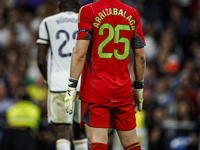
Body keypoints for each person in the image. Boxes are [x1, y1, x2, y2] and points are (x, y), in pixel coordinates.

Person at [64, 0, 146, 150]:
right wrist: (139, 88)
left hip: (96, 91)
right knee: (132, 144)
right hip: (123, 90)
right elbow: (140, 56)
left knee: (98, 144)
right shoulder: (132, 13)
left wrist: (71, 88)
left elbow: (80, 53)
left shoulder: (88, 10)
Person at [37, 0, 88, 150]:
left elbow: (40, 60)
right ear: (78, 7)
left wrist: (49, 79)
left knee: (62, 132)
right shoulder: (86, 22)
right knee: (80, 131)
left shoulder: (47, 22)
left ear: (59, 7)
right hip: (82, 83)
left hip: (59, 83)